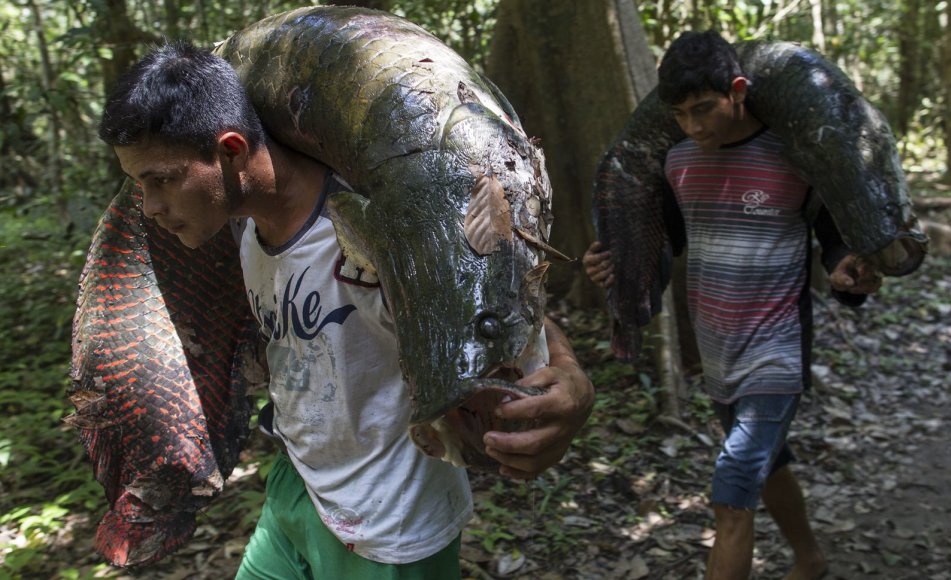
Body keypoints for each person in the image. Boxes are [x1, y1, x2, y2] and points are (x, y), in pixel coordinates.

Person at [99, 41, 594, 579]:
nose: (150, 207)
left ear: (232, 150)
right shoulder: (243, 229)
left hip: (391, 529)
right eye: (140, 185)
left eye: (162, 180)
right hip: (296, 490)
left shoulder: (379, 230)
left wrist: (570, 375)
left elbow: (499, 312)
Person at [584, 30, 882, 580]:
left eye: (704, 109)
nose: (695, 127)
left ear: (737, 91)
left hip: (776, 350)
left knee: (732, 490)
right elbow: (664, 245)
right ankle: (810, 559)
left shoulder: (796, 154)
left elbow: (834, 238)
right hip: (718, 351)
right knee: (769, 464)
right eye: (680, 114)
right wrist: (617, 267)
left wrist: (845, 270)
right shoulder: (676, 162)